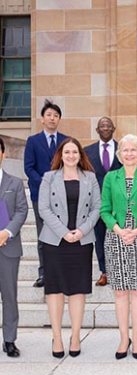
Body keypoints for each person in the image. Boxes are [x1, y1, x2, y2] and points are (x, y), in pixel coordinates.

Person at [38, 138, 101, 358]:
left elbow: (97, 207)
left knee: (77, 289)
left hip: (81, 242)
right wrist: (64, 232)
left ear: (80, 155)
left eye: (75, 152)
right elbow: (43, 208)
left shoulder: (90, 178)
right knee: (54, 290)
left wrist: (81, 231)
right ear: (60, 155)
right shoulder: (49, 177)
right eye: (67, 152)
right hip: (55, 241)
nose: (71, 155)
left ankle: (75, 336)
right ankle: (57, 337)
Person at [101, 134, 137, 360]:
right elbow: (104, 209)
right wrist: (118, 229)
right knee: (120, 292)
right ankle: (124, 339)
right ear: (119, 154)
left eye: (133, 149)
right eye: (125, 150)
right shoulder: (110, 177)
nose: (129, 153)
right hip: (116, 237)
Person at [24, 100, 68, 288]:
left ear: (59, 119)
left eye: (56, 116)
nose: (52, 118)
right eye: (49, 115)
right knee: (43, 235)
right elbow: (29, 168)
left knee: (62, 233)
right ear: (42, 119)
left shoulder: (66, 141)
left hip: (63, 196)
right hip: (40, 195)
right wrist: (45, 183)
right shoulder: (33, 141)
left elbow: (71, 165)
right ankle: (44, 273)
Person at [84, 117, 122, 286]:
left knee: (120, 235)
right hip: (97, 202)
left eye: (108, 125)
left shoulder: (124, 149)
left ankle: (120, 270)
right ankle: (105, 271)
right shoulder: (87, 151)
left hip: (120, 201)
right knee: (100, 237)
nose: (105, 128)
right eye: (102, 126)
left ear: (113, 128)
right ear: (97, 130)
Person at [0, 137, 28, 357]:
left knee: (9, 296)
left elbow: (21, 211)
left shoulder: (15, 183)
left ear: (4, 154)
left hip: (8, 247)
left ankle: (9, 340)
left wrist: (6, 232)